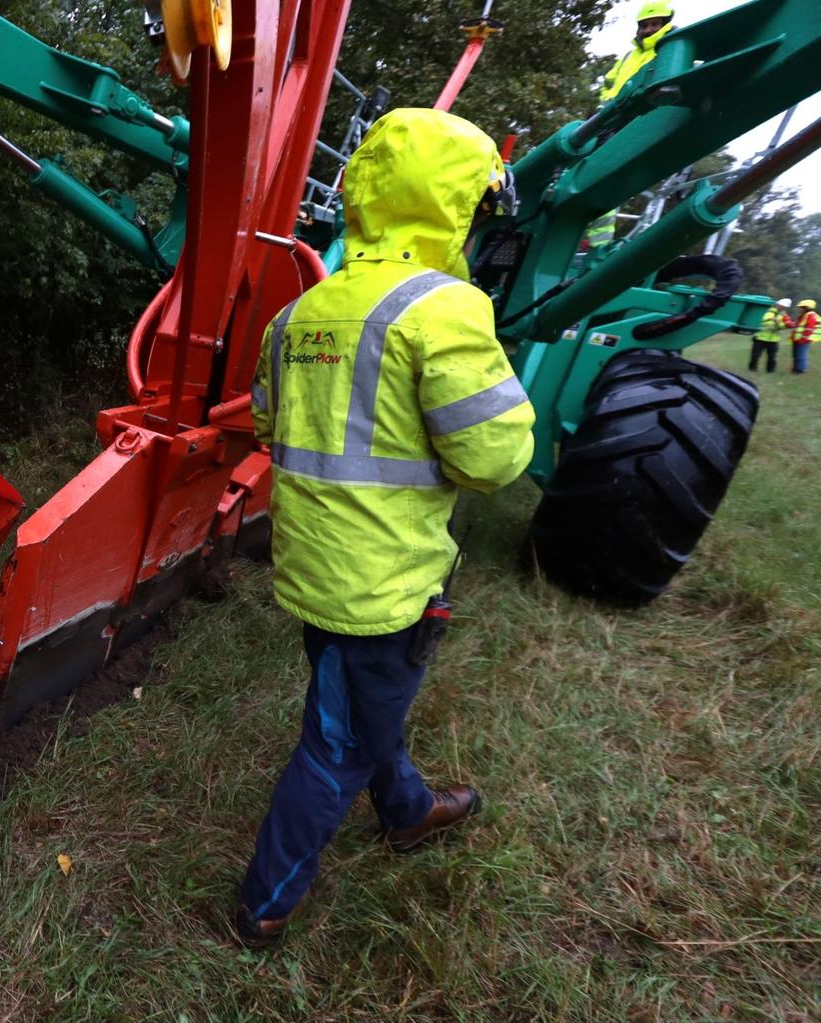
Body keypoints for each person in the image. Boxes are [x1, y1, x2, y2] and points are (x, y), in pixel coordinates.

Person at [236, 108, 536, 949]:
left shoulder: (300, 313)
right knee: (336, 747)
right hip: (391, 586)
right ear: (455, 207)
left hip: (315, 572)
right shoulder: (447, 308)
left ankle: (407, 811)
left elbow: (267, 424)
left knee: (361, 713)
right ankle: (265, 900)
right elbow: (497, 459)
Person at [587, 2, 677, 249]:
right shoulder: (629, 55)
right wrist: (605, 106)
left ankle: (599, 248)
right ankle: (592, 240)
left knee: (607, 180)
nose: (648, 30)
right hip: (606, 121)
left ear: (665, 25)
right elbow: (608, 83)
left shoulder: (668, 51)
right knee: (586, 175)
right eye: (644, 25)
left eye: (654, 24)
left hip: (634, 121)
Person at [751, 299, 792, 374]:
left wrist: (777, 323)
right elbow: (760, 322)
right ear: (778, 304)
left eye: (785, 307)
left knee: (772, 357)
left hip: (773, 340)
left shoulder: (784, 315)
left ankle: (770, 372)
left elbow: (784, 326)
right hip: (760, 337)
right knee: (755, 355)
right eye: (782, 305)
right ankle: (752, 370)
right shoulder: (768, 312)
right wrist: (772, 321)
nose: (783, 307)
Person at [793, 299, 818, 374]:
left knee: (802, 355)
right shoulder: (803, 315)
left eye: (801, 307)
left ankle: (801, 370)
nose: (799, 309)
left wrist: (804, 339)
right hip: (798, 339)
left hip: (803, 340)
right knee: (797, 355)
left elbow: (809, 329)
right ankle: (796, 368)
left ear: (807, 308)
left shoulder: (811, 316)